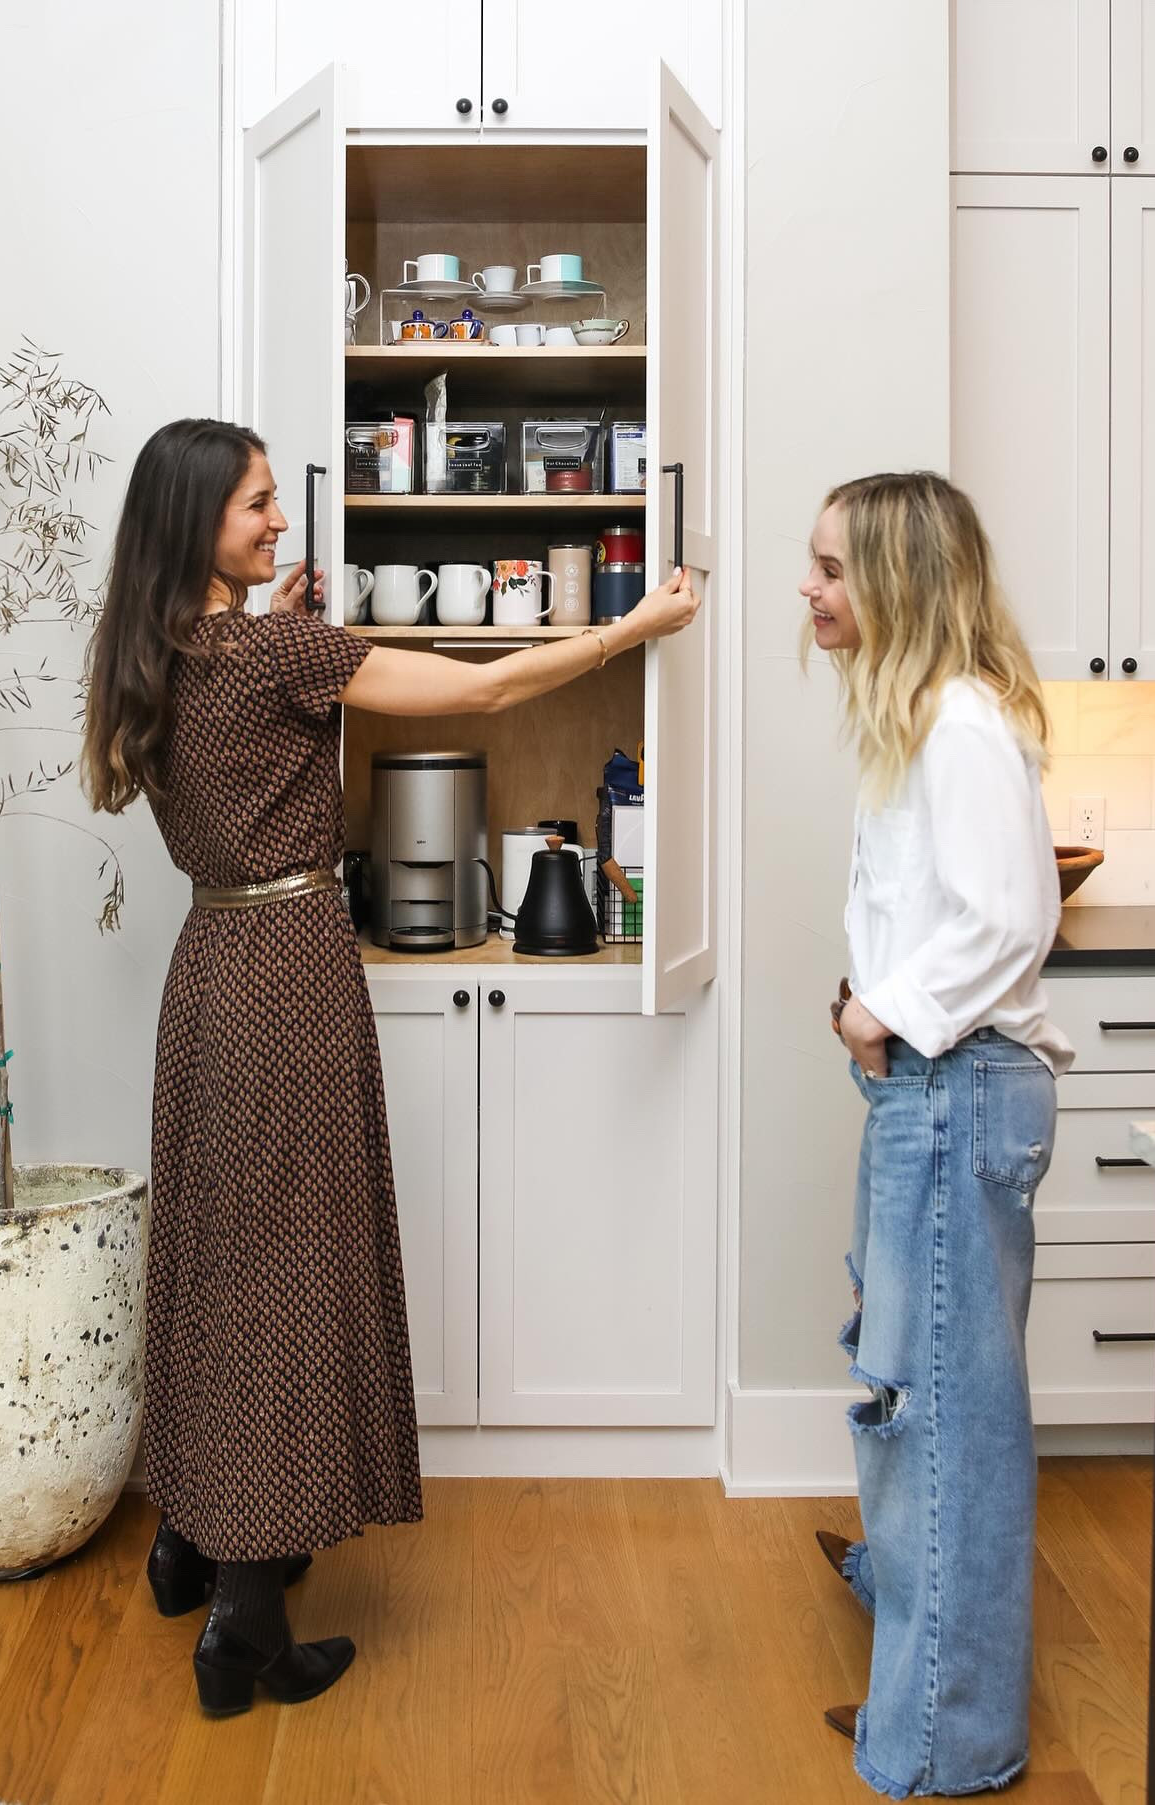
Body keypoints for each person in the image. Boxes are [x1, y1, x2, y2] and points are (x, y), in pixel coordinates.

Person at [81, 417, 699, 1718]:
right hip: (291, 972)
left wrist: (287, 630)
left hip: (210, 966)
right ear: (199, 520)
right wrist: (627, 631)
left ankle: (189, 1536)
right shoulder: (276, 652)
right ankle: (246, 1618)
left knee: (214, 1260)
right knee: (286, 1278)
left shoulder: (161, 649)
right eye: (258, 505)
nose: (279, 522)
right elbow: (474, 691)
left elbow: (251, 713)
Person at [801, 471, 1072, 1797]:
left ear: (899, 581)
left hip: (956, 1087)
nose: (813, 589)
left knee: (947, 1422)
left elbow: (1009, 917)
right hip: (932, 1084)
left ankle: (945, 1742)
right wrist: (872, 1007)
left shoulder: (960, 723)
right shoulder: (925, 724)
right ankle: (929, 1683)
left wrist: (881, 1009)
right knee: (917, 1400)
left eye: (834, 568)